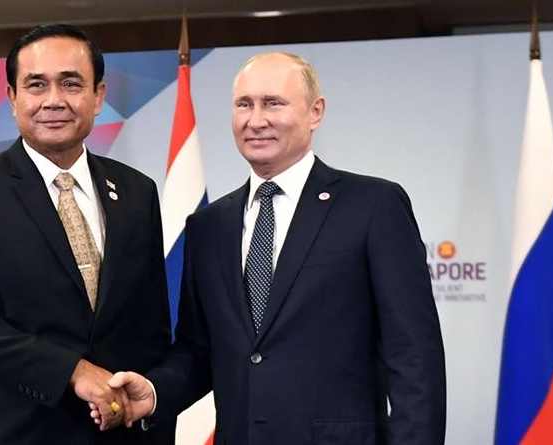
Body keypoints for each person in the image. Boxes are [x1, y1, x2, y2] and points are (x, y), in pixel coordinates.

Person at [96, 51, 447, 444]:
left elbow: (414, 358)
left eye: (273, 103)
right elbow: (199, 351)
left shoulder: (374, 206)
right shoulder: (208, 227)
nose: (256, 120)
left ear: (316, 112)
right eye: (244, 105)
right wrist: (157, 391)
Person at [0, 24, 174, 445]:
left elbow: (150, 328)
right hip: (18, 432)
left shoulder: (137, 191)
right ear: (13, 98)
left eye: (71, 83)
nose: (54, 100)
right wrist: (74, 372)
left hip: (124, 434)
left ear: (98, 96)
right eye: (36, 85)